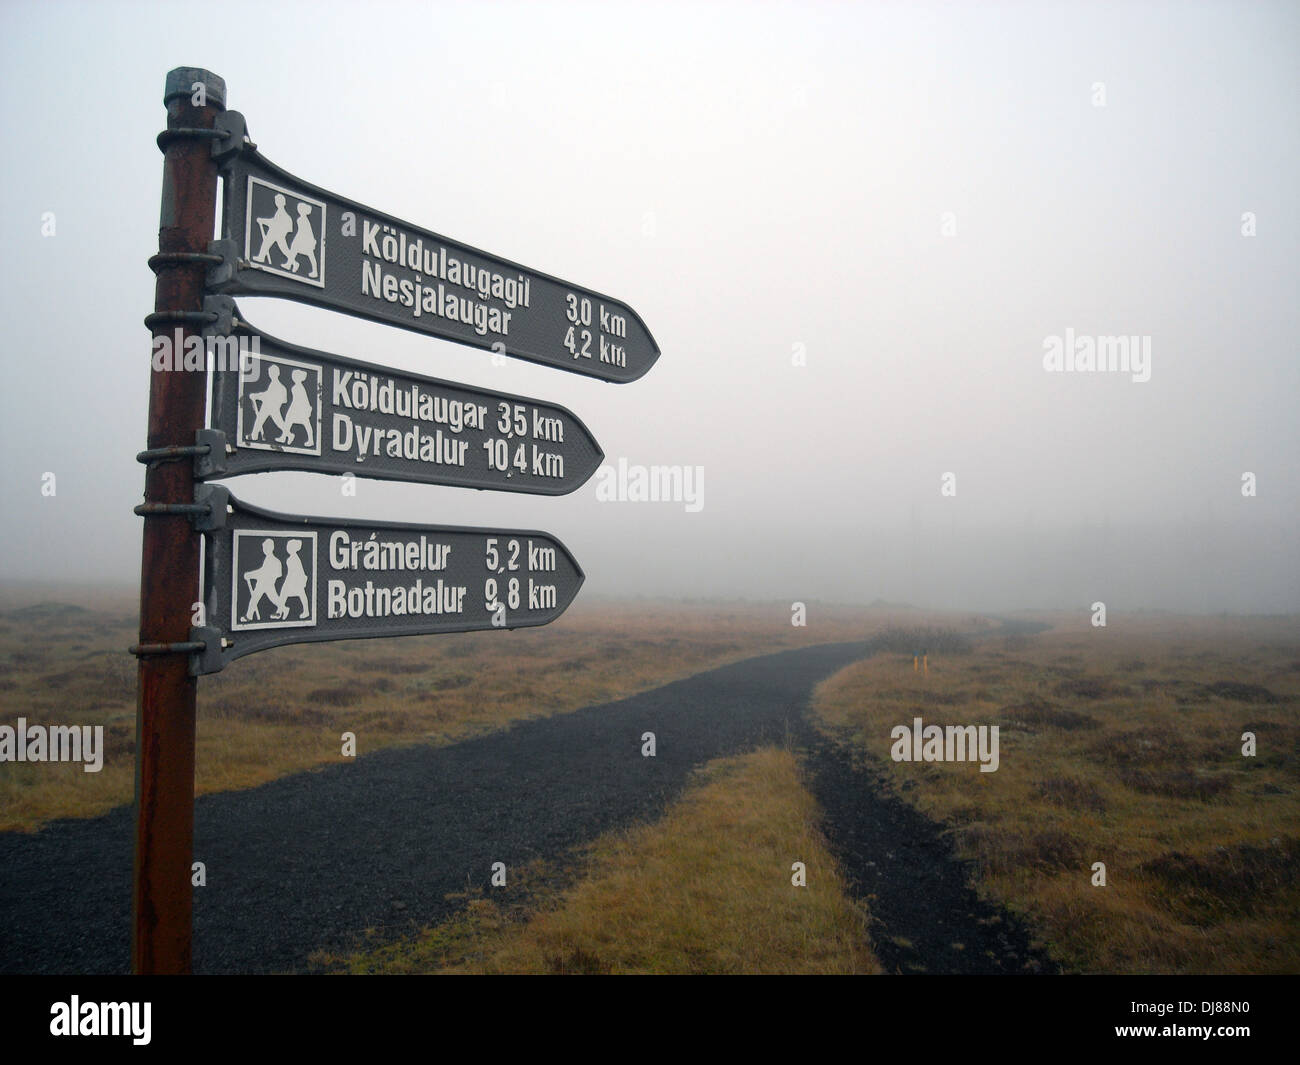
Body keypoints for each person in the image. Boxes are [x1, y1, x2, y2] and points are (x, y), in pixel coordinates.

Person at [241, 539, 282, 623]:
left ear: (271, 548)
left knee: (273, 599)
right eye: (264, 548)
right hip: (263, 583)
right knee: (255, 598)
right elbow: (263, 571)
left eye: (266, 547)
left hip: (267, 584)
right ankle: (249, 616)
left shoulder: (273, 560)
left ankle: (283, 609)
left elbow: (265, 572)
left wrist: (250, 575)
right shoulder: (268, 559)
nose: (265, 549)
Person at [247, 364, 288, 442]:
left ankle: (289, 434)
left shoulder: (278, 386)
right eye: (270, 372)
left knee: (279, 423)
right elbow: (268, 394)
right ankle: (254, 435)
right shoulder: (274, 384)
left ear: (277, 373)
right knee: (260, 420)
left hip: (271, 407)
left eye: (273, 372)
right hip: (269, 406)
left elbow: (269, 396)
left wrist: (256, 396)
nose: (271, 374)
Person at [273, 539, 311, 621]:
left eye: (289, 547)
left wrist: (289, 582)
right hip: (293, 580)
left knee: (300, 594)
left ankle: (306, 611)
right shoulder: (291, 558)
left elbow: (295, 572)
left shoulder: (293, 559)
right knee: (285, 594)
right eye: (287, 547)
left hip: (295, 580)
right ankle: (280, 611)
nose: (287, 548)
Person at [253, 192, 294, 267]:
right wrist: (263, 220)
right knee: (267, 243)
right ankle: (261, 257)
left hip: (278, 233)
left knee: (283, 249)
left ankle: (294, 262)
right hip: (275, 232)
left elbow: (274, 222)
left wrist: (263, 221)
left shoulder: (282, 213)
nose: (277, 202)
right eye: (277, 201)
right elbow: (274, 221)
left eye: (279, 201)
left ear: (283, 202)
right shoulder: (279, 212)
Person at [278, 369, 315, 447]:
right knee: (289, 421)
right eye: (293, 376)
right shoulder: (295, 387)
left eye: (295, 376)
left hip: (300, 408)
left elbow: (303, 398)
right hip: (296, 407)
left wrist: (307, 408)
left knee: (306, 423)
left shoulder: (299, 388)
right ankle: (283, 437)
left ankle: (311, 440)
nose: (293, 377)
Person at [285, 202, 319, 277]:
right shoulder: (302, 219)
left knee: (310, 255)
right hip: (304, 238)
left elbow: (305, 231)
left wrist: (311, 240)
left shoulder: (302, 220)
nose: (298, 210)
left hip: (305, 239)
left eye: (300, 209)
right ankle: (289, 264)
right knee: (295, 249)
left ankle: (315, 271)